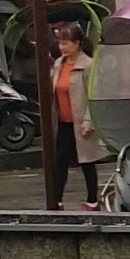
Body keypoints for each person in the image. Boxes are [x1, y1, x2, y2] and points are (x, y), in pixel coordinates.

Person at [50, 23, 102, 208]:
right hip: (63, 122)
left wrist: (88, 121)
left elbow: (93, 95)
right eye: (60, 43)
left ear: (77, 43)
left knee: (87, 162)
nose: (62, 47)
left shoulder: (87, 65)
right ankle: (57, 200)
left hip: (81, 122)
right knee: (60, 162)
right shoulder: (58, 64)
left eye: (66, 43)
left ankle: (93, 201)